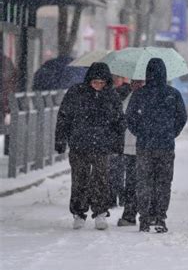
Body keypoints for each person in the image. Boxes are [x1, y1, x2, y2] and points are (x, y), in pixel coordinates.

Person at [55, 62, 126, 230]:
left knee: (101, 180)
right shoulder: (76, 93)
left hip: (102, 146)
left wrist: (118, 144)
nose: (98, 86)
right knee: (79, 180)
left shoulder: (112, 96)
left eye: (102, 83)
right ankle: (79, 213)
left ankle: (101, 213)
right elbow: (63, 117)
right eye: (95, 82)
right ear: (89, 80)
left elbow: (119, 123)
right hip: (79, 144)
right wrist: (60, 140)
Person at [126, 58, 187, 233]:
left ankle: (144, 219)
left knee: (143, 182)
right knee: (163, 182)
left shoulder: (139, 94)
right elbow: (182, 118)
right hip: (166, 146)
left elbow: (130, 117)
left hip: (144, 145)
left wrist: (141, 132)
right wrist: (171, 132)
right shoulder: (172, 94)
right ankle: (160, 217)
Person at [117, 80, 145, 227]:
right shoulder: (125, 96)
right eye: (134, 81)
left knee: (143, 182)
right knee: (131, 182)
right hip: (128, 146)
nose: (137, 84)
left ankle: (144, 215)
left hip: (144, 146)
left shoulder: (146, 97)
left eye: (141, 82)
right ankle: (130, 214)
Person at [108, 75, 132, 208]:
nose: (116, 79)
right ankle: (114, 196)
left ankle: (122, 196)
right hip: (115, 135)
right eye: (114, 76)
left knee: (123, 168)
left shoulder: (131, 93)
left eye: (119, 76)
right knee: (114, 168)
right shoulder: (108, 94)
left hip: (127, 135)